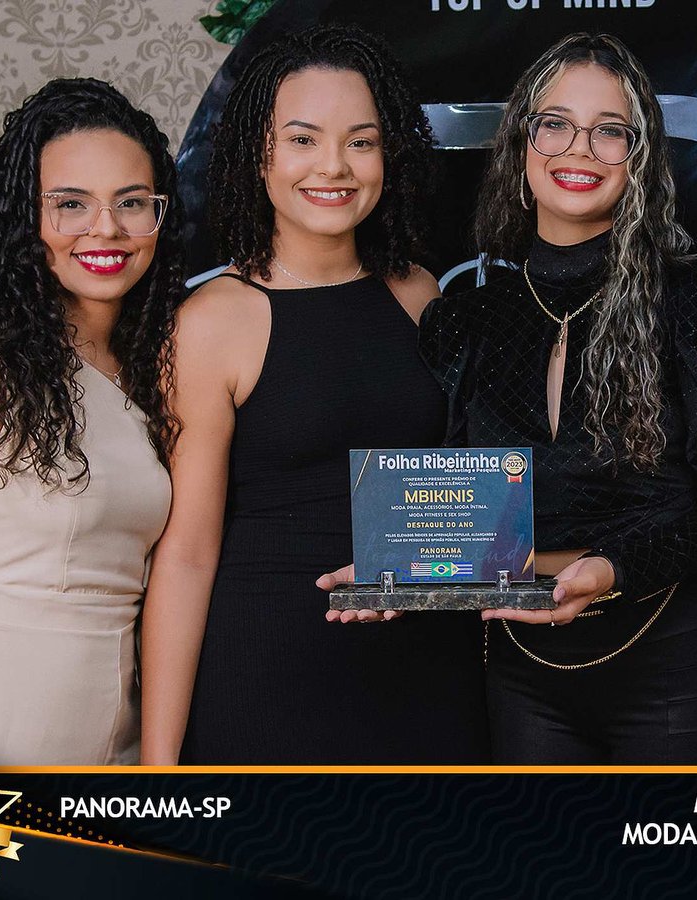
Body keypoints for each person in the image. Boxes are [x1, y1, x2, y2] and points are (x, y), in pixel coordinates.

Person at [415, 33, 697, 763]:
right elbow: (451, 509)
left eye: (609, 131)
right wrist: (390, 576)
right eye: (555, 124)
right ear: (521, 143)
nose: (578, 149)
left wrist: (613, 568)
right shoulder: (466, 320)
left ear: (639, 158)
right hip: (521, 670)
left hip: (675, 659)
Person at [142, 25, 487, 764]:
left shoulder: (419, 294)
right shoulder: (211, 322)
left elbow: (463, 502)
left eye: (361, 142)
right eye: (302, 139)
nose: (334, 165)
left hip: (427, 677)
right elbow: (187, 555)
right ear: (256, 154)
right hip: (269, 677)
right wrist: (159, 762)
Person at [0, 78, 183, 764]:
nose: (106, 229)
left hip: (121, 751)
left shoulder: (157, 369)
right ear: (26, 218)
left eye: (131, 202)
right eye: (71, 204)